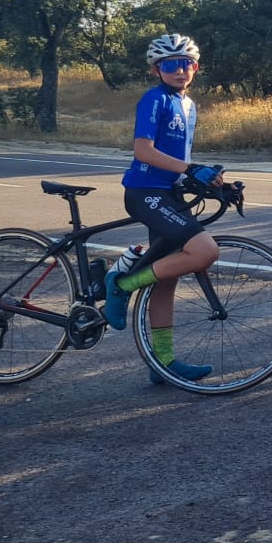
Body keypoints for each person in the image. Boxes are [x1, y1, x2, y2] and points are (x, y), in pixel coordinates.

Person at [105, 33, 224, 384]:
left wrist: (209, 180)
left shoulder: (188, 104)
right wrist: (189, 169)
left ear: (196, 68)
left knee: (167, 279)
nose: (180, 70)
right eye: (171, 65)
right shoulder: (154, 99)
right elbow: (143, 151)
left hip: (167, 192)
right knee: (205, 250)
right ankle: (123, 283)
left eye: (186, 64)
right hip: (145, 191)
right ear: (157, 70)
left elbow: (178, 158)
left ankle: (164, 362)